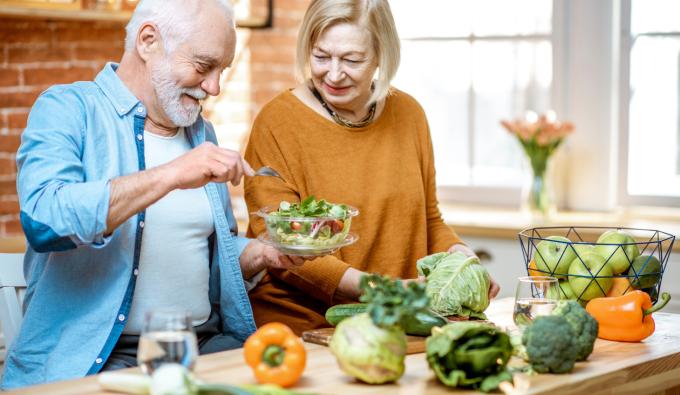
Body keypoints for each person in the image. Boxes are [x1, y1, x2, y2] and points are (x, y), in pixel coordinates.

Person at [2, 0, 302, 389]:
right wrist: (172, 174)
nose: (214, 87)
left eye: (222, 71)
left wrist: (260, 254)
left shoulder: (200, 133)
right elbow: (44, 221)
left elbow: (205, 251)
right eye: (203, 66)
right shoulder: (68, 108)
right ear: (148, 41)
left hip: (205, 345)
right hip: (102, 358)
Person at [243, 0, 500, 336]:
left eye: (352, 59)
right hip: (306, 328)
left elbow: (428, 219)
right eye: (321, 56)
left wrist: (461, 258)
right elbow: (281, 244)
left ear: (381, 54)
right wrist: (382, 289)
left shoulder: (409, 115)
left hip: (396, 322)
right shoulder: (277, 122)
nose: (333, 74)